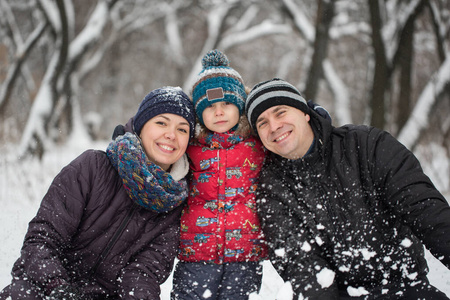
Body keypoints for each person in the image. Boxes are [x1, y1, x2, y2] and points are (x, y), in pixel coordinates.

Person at [245, 78, 450, 299]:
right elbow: (301, 266)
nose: (274, 126)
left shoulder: (368, 145)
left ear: (304, 112)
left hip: (404, 287)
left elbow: (428, 213)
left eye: (280, 112)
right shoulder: (271, 186)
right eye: (262, 123)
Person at [0, 87, 196, 300]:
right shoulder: (92, 167)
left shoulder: (174, 206)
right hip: (44, 289)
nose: (171, 135)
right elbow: (42, 239)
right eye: (161, 122)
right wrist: (57, 288)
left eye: (182, 129)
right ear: (141, 127)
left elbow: (141, 275)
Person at [171, 50, 268, 300]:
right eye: (210, 106)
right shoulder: (190, 147)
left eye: (226, 104)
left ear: (240, 106)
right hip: (196, 253)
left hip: (245, 255)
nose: (219, 112)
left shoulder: (258, 145)